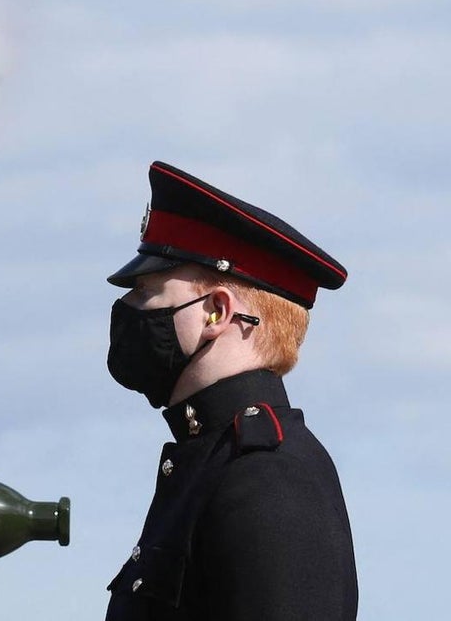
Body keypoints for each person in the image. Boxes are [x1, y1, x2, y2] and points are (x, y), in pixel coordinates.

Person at [103, 161, 357, 620]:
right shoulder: (212, 461)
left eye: (145, 291)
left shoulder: (268, 479)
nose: (127, 308)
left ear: (216, 313)